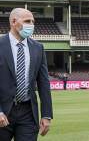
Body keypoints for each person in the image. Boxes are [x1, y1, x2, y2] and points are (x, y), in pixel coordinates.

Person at [0, 8, 53, 141]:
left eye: (33, 22)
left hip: (28, 112)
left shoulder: (38, 48)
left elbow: (43, 83)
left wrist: (46, 115)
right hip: (3, 110)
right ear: (13, 21)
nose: (31, 25)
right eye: (27, 21)